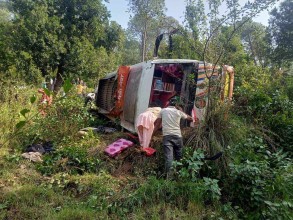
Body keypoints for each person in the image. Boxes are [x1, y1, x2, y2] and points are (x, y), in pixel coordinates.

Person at [156, 98, 193, 174]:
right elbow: (191, 119)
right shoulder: (178, 112)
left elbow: (157, 126)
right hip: (178, 136)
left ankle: (169, 177)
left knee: (169, 158)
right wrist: (181, 111)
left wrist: (151, 136)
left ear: (168, 104)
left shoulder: (163, 111)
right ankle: (179, 174)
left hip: (167, 136)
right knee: (179, 157)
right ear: (176, 105)